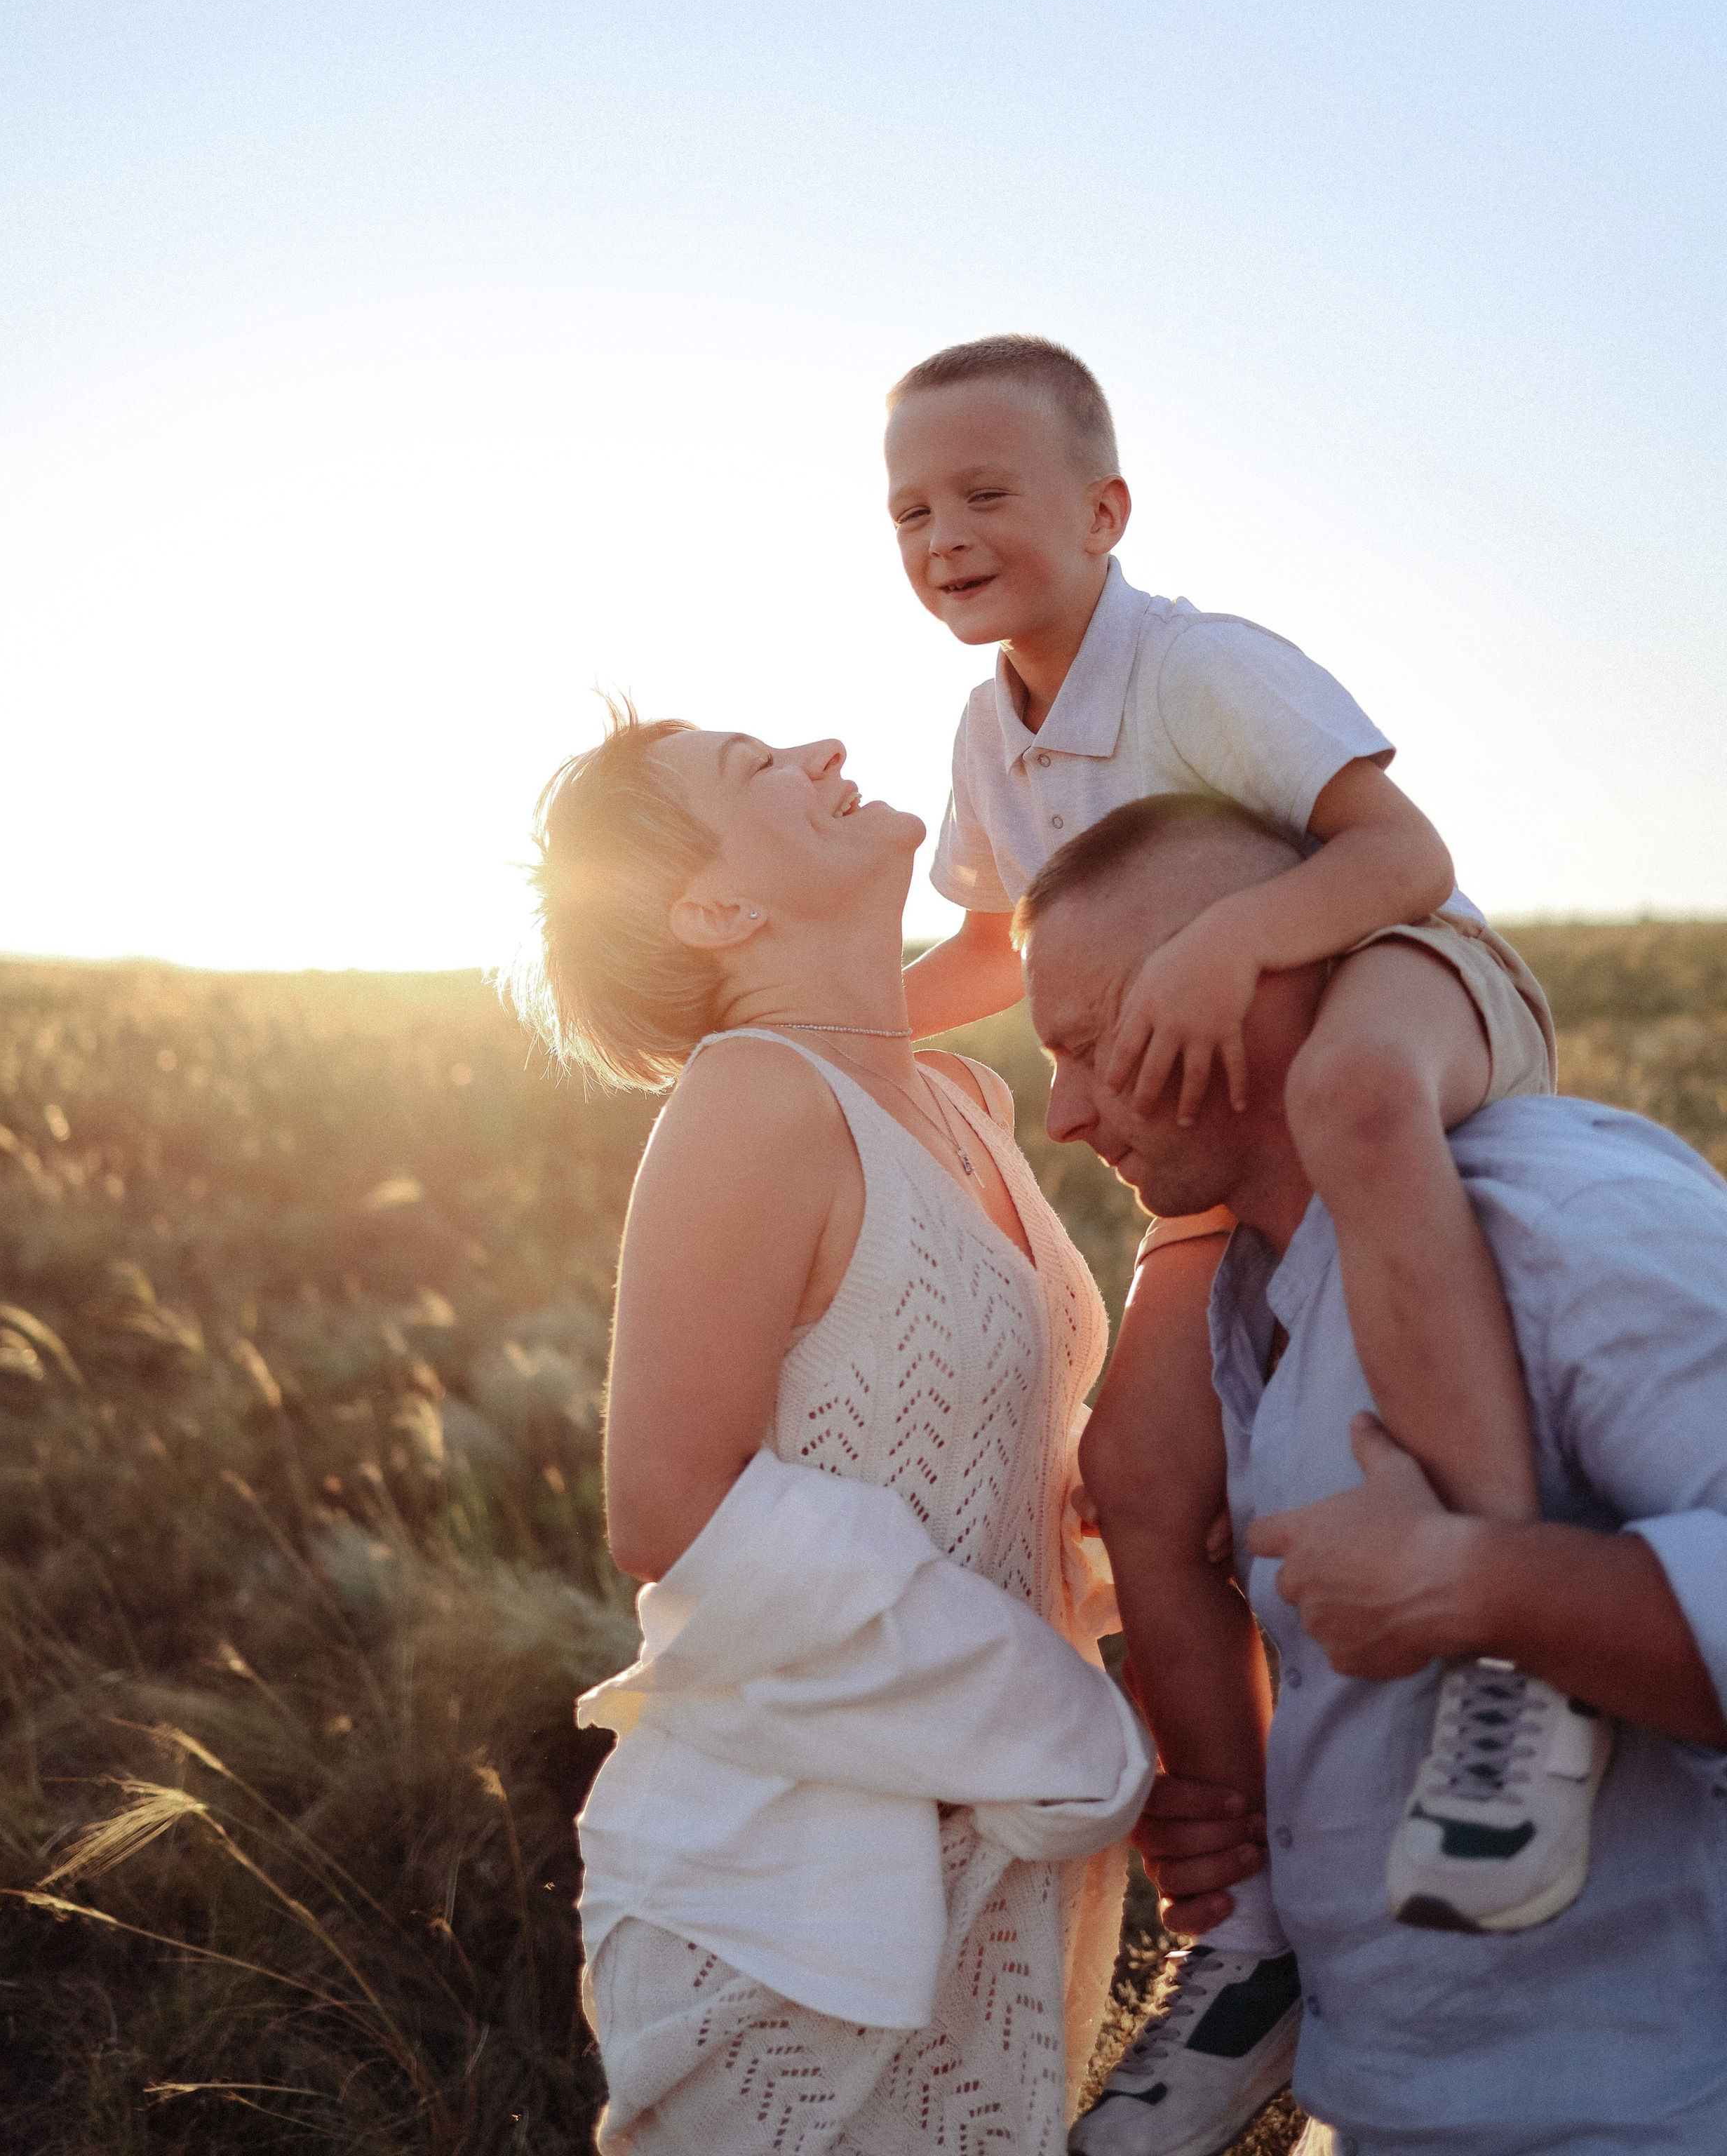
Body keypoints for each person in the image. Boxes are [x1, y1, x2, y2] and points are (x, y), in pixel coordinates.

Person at [887, 335, 1594, 2148]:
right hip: (1212, 1124)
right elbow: (992, 950)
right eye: (909, 510)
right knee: (1129, 1463)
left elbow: (1404, 851)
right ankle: (1255, 1925)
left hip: (1397, 998)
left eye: (985, 495)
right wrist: (836, 1021)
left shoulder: (1203, 666)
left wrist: (1227, 945)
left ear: (1104, 510)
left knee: (1358, 1102)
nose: (944, 534)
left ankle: (1519, 1658)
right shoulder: (992, 732)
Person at [1019, 790, 1727, 2156]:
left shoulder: (1567, 1225)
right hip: (1389, 2106)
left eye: (1091, 1044)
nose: (1063, 1113)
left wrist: (1476, 1583)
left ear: (1257, 983)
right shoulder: (1237, 1306)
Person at [515, 707, 1155, 2154]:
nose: (814, 750)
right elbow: (672, 1508)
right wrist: (1066, 1724)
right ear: (715, 907)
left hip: (994, 1849)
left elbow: (964, 1452)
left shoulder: (960, 1098)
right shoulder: (751, 1096)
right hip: (798, 1892)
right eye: (754, 771)